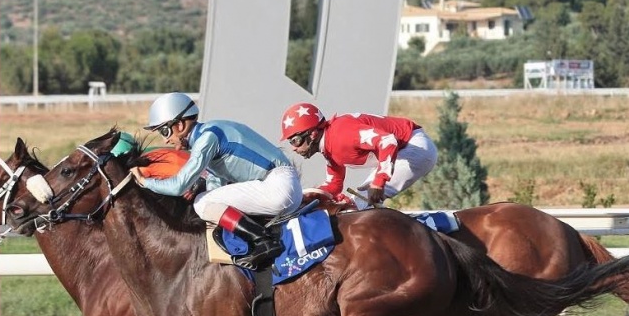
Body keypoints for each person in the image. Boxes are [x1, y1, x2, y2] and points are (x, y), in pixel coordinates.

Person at [133, 92, 303, 269]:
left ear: (180, 124)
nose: (165, 139)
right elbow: (216, 184)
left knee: (201, 203)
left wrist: (145, 181)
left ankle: (261, 240)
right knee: (207, 200)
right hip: (283, 186)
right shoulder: (213, 132)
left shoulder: (207, 138)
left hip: (278, 187)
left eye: (165, 131)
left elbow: (178, 186)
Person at [279, 102, 438, 208]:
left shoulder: (341, 135)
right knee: (355, 202)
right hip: (404, 150)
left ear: (312, 134)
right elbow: (334, 185)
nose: (293, 148)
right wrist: (307, 197)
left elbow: (388, 141)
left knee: (358, 202)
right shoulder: (329, 148)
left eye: (295, 141)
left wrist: (379, 181)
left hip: (415, 147)